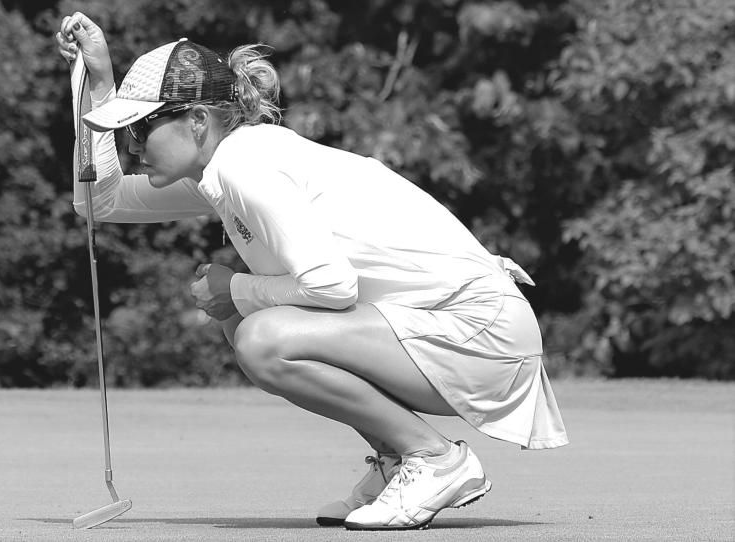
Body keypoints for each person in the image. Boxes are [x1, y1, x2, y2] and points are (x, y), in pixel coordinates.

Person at [56, 12, 568, 531]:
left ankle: (433, 458)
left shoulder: (245, 166)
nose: (133, 145)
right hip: (448, 330)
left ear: (197, 120)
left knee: (261, 337)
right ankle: (399, 459)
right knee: (249, 322)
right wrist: (98, 83)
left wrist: (234, 288)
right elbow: (98, 201)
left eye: (141, 127)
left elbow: (331, 286)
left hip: (478, 332)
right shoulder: (230, 162)